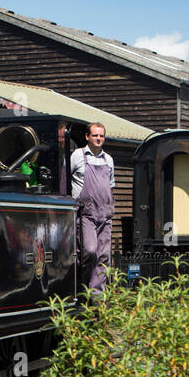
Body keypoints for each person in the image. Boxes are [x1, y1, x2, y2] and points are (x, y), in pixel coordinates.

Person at [70, 122, 114, 294]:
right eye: (95, 135)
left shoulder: (108, 159)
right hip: (86, 212)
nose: (98, 138)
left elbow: (110, 186)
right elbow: (64, 179)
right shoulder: (77, 155)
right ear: (87, 137)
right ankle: (82, 288)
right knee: (89, 251)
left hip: (105, 212)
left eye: (101, 136)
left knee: (104, 256)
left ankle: (97, 295)